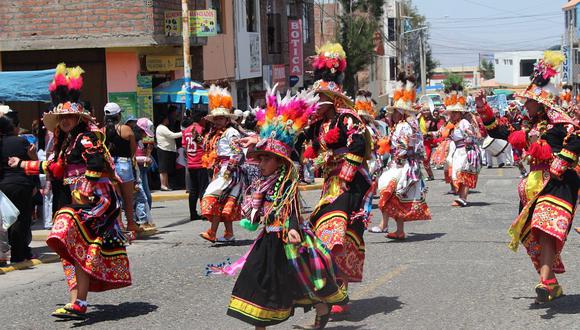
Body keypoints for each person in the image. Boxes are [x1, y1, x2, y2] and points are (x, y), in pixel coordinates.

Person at [215, 87, 347, 330]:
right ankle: (261, 325)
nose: (261, 163)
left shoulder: (286, 182)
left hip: (287, 238)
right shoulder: (263, 182)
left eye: (266, 159)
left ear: (280, 162)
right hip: (269, 239)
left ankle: (321, 307)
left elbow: (292, 208)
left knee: (301, 281)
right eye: (260, 158)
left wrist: (294, 229)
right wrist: (254, 141)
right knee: (256, 280)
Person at [8, 64, 131, 319]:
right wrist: (22, 164)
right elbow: (54, 168)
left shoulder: (87, 138)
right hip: (71, 200)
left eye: (70, 117)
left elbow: (96, 164)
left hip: (93, 202)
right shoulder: (65, 143)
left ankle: (79, 302)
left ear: (78, 118)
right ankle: (77, 302)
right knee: (70, 249)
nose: (65, 121)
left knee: (72, 242)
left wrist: (85, 187)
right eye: (62, 118)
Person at [478, 52, 579, 303]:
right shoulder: (530, 125)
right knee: (536, 234)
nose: (525, 105)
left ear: (541, 102)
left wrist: (562, 159)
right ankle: (549, 283)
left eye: (529, 102)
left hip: (559, 184)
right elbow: (501, 132)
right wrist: (484, 111)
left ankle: (545, 281)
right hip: (534, 185)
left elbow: (576, 141)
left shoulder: (561, 124)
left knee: (545, 227)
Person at [298, 43, 372, 314]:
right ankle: (329, 290)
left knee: (342, 232)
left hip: (351, 183)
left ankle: (340, 289)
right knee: (321, 235)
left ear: (333, 98)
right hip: (331, 183)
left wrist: (345, 171)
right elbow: (303, 145)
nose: (317, 103)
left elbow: (358, 145)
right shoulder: (316, 124)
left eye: (321, 98)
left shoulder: (348, 119)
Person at [377, 74, 432, 240]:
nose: (391, 115)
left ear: (399, 114)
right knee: (394, 196)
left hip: (402, 165)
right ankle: (396, 229)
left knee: (389, 193)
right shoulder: (407, 126)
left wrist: (395, 155)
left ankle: (385, 225)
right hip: (404, 164)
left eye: (393, 112)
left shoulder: (403, 127)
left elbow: (403, 147)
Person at [199, 85, 243, 243]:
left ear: (227, 119)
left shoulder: (231, 132)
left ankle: (212, 231)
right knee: (222, 202)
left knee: (212, 197)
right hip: (222, 169)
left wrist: (229, 170)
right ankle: (227, 233)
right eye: (215, 118)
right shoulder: (219, 133)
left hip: (229, 171)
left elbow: (237, 152)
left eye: (220, 118)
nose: (217, 121)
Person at [430, 87, 482, 207]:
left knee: (464, 173)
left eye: (454, 113)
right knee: (455, 174)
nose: (452, 115)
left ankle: (463, 198)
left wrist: (470, 134)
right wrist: (427, 135)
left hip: (466, 151)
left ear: (459, 113)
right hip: (457, 152)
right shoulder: (450, 124)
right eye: (450, 113)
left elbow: (472, 135)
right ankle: (461, 196)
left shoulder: (464, 123)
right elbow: (438, 133)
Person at [0, 113, 36, 264]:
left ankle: (8, 252)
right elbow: (32, 163)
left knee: (7, 219)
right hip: (22, 184)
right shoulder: (22, 141)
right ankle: (18, 253)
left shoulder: (1, 143)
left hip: (4, 184)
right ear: (15, 127)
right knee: (22, 219)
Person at [104, 102, 140, 233]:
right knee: (128, 198)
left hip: (109, 166)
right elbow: (133, 150)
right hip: (124, 164)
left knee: (115, 198)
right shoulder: (126, 129)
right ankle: (131, 224)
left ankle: (119, 226)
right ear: (118, 115)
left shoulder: (102, 131)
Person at [182, 112, 209, 221]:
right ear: (201, 118)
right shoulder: (201, 129)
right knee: (203, 189)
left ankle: (193, 213)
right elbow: (205, 145)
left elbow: (184, 148)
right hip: (201, 162)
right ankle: (204, 213)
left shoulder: (186, 130)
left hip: (191, 163)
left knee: (193, 190)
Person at [134, 118, 156, 231]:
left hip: (142, 169)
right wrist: (144, 158)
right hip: (135, 170)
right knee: (141, 196)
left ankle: (144, 219)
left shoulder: (144, 140)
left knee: (146, 196)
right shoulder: (132, 140)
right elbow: (131, 158)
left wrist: (148, 152)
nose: (144, 135)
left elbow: (147, 153)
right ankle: (141, 220)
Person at [156, 110, 182, 191]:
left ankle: (166, 185)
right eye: (167, 119)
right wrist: (184, 132)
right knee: (163, 169)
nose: (168, 120)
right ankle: (163, 185)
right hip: (164, 150)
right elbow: (172, 135)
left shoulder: (163, 127)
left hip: (167, 150)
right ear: (163, 119)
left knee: (166, 169)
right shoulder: (161, 127)